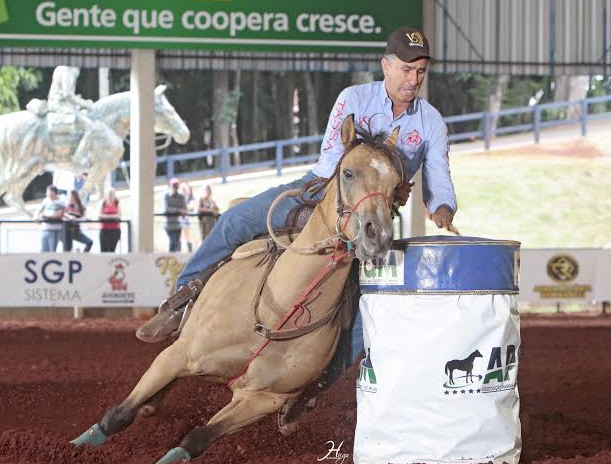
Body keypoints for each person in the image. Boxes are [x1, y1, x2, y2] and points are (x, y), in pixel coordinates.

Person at [137, 26, 457, 357]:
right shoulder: (353, 99)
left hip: (372, 216)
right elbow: (333, 161)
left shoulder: (431, 122)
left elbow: (439, 175)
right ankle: (180, 300)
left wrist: (443, 206)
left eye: (421, 71)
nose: (414, 79)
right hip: (318, 191)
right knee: (233, 221)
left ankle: (319, 381)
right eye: (406, 69)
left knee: (369, 308)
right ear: (386, 65)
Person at [37, 185, 65, 252]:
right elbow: (39, 211)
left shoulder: (60, 202)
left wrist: (47, 216)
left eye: (48, 191)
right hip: (45, 229)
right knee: (43, 250)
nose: (46, 193)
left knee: (52, 250)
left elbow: (60, 215)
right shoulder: (45, 201)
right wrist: (38, 217)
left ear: (53, 192)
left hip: (54, 230)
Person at [164, 178, 188, 253]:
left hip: (178, 224)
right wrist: (178, 210)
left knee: (177, 243)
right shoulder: (166, 195)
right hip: (169, 224)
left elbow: (184, 209)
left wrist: (181, 211)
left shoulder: (181, 196)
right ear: (170, 186)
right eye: (174, 186)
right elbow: (167, 209)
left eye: (176, 186)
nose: (175, 188)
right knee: (172, 243)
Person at [99, 188, 122, 252]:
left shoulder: (117, 203)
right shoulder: (103, 203)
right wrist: (112, 216)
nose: (110, 196)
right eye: (109, 194)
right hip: (104, 230)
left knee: (112, 250)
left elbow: (119, 215)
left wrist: (106, 216)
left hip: (115, 230)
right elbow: (100, 215)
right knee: (103, 250)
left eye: (112, 194)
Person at [178, 181, 195, 252]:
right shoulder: (179, 199)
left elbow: (190, 207)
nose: (184, 191)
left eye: (185, 189)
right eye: (183, 189)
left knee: (187, 236)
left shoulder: (191, 199)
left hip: (186, 220)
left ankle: (189, 249)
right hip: (178, 220)